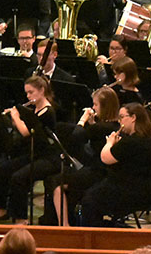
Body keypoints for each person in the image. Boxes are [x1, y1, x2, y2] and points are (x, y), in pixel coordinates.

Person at [0, 76, 60, 225]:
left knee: (19, 178)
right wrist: (13, 120)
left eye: (31, 92)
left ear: (42, 90)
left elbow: (27, 133)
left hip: (48, 157)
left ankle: (21, 218)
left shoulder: (48, 111)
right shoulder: (33, 108)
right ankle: (2, 209)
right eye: (26, 93)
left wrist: (16, 116)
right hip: (32, 153)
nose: (28, 96)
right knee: (2, 170)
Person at [50, 87, 121, 226]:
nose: (93, 107)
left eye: (95, 104)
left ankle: (64, 225)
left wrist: (82, 120)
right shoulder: (114, 125)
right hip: (108, 171)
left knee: (56, 182)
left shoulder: (100, 128)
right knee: (68, 181)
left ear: (104, 106)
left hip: (99, 172)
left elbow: (75, 138)